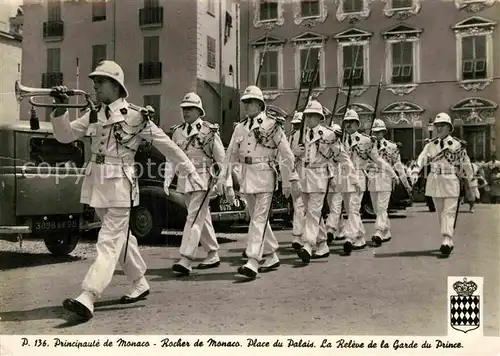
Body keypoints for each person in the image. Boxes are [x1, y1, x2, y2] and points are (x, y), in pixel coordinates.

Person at [50, 60, 202, 320]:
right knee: (121, 241)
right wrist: (59, 109)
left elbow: (168, 146)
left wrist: (190, 172)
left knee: (108, 242)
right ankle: (140, 281)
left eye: (100, 81)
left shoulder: (135, 116)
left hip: (121, 185)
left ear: (116, 86)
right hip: (97, 184)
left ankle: (88, 295)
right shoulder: (94, 113)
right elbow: (65, 136)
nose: (94, 85)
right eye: (94, 81)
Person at [218, 85, 300, 279]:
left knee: (258, 219)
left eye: (251, 102)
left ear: (260, 104)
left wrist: (290, 179)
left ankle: (253, 260)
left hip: (265, 175)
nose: (247, 106)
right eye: (245, 102)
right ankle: (271, 255)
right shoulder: (239, 127)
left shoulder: (272, 125)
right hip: (247, 176)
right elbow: (230, 156)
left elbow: (287, 155)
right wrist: (226, 180)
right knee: (257, 218)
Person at [164, 92, 231, 275]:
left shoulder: (209, 131)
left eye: (190, 109)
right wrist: (167, 178)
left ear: (199, 111)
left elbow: (221, 159)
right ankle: (212, 252)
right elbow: (172, 157)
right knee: (201, 217)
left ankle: (186, 258)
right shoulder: (177, 131)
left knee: (193, 217)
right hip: (185, 180)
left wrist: (223, 181)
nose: (185, 112)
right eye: (184, 109)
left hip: (203, 179)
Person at [290, 100, 356, 263]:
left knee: (313, 212)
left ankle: (307, 244)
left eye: (313, 116)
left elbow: (342, 156)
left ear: (320, 118)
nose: (310, 118)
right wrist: (294, 153)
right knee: (312, 213)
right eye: (308, 115)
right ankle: (322, 245)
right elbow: (290, 158)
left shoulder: (328, 135)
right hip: (303, 176)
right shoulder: (298, 135)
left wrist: (351, 174)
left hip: (319, 176)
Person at [410, 112, 476, 256]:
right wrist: (415, 171)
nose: (438, 129)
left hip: (451, 180)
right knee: (440, 212)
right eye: (437, 126)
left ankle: (446, 238)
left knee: (449, 211)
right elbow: (421, 158)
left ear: (449, 128)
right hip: (434, 180)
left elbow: (466, 164)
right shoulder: (430, 145)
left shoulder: (457, 144)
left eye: (442, 126)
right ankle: (447, 238)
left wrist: (472, 182)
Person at [341, 109, 398, 255]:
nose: (347, 125)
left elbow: (378, 160)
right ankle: (359, 237)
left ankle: (349, 237)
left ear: (357, 124)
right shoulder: (339, 139)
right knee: (349, 210)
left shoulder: (366, 141)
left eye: (350, 122)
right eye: (345, 122)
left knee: (354, 208)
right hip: (343, 178)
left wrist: (392, 173)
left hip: (358, 177)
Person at [368, 119, 412, 246]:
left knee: (382, 207)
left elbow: (398, 166)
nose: (376, 135)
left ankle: (379, 232)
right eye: (374, 132)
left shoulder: (392, 147)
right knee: (376, 209)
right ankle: (386, 231)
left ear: (384, 132)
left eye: (379, 132)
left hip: (386, 179)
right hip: (372, 179)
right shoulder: (368, 146)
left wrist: (406, 184)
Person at [324, 123, 347, 243]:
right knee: (333, 207)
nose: (336, 137)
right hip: (328, 180)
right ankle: (343, 229)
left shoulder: (341, 147)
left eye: (338, 135)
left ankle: (330, 230)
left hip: (339, 180)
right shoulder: (325, 147)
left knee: (335, 207)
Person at [288, 112, 305, 250]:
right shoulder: (291, 137)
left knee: (309, 208)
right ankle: (298, 236)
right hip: (296, 173)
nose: (297, 127)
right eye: (295, 125)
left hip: (310, 174)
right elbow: (284, 158)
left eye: (299, 125)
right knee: (298, 205)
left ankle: (302, 235)